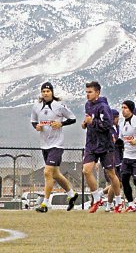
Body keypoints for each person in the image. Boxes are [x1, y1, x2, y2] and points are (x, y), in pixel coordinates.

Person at [31, 82, 78, 213]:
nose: (45, 93)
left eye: (48, 91)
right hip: (44, 144)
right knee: (55, 174)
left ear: (52, 92)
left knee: (47, 172)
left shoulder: (59, 106)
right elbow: (33, 121)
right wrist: (36, 126)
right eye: (43, 91)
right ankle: (72, 194)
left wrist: (61, 123)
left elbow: (73, 118)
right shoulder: (36, 107)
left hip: (57, 144)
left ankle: (45, 204)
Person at [81, 81, 122, 213]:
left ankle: (118, 201)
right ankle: (97, 198)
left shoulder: (104, 107)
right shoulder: (88, 105)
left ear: (97, 92)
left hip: (105, 145)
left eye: (90, 92)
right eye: (86, 92)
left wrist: (92, 122)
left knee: (111, 174)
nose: (87, 95)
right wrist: (85, 124)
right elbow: (89, 121)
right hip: (91, 144)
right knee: (86, 170)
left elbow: (107, 125)